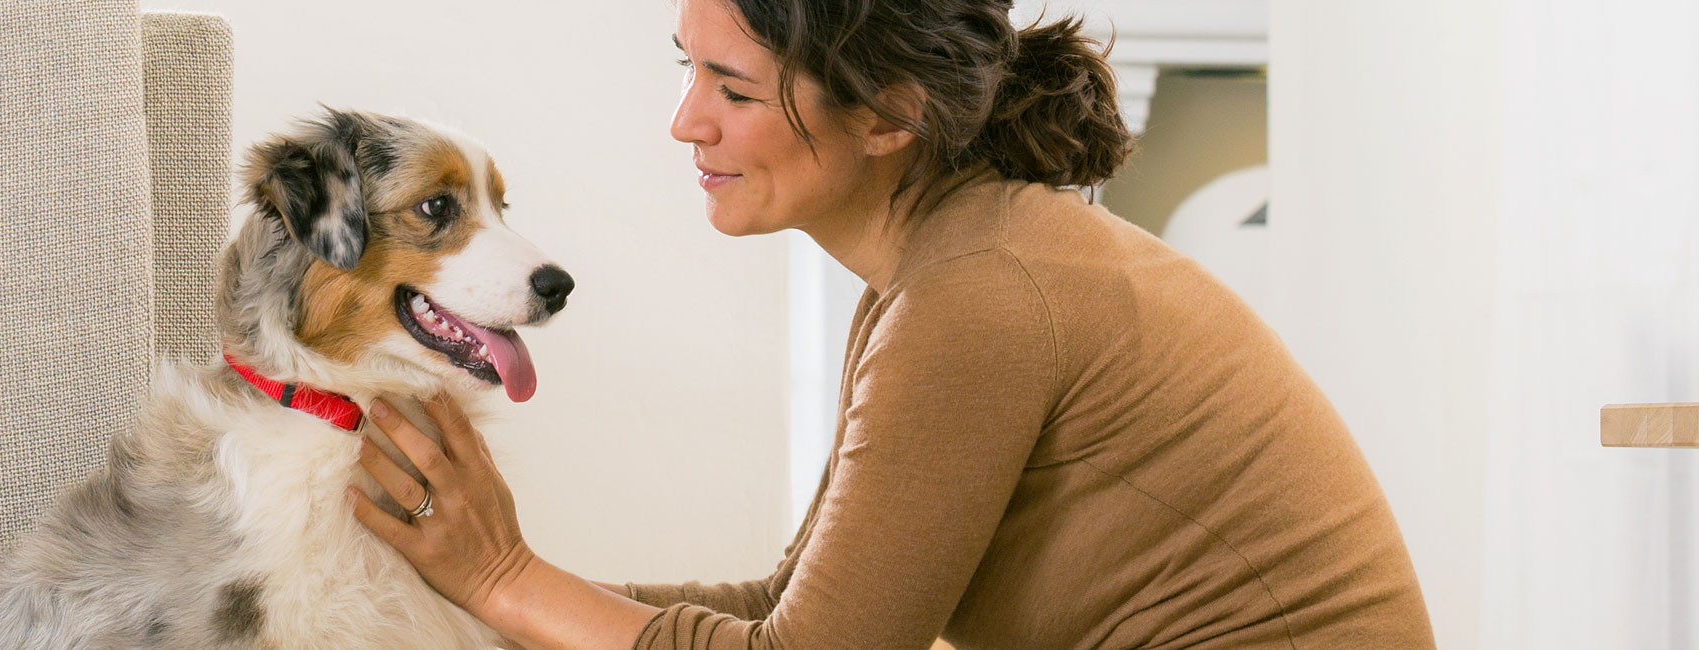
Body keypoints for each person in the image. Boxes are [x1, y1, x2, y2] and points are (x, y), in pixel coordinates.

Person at [347, 0, 1438, 648]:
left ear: (889, 113)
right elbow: (795, 603)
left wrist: (501, 577)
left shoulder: (979, 292)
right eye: (689, 70)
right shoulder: (950, 267)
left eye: (731, 84)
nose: (685, 121)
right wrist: (490, 600)